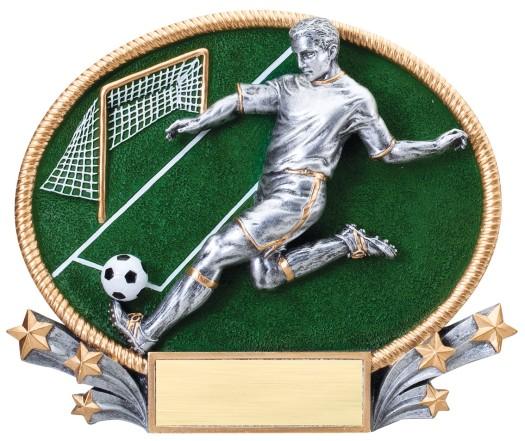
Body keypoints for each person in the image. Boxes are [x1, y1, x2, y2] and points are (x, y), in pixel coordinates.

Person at [110, 17, 468, 354]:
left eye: (308, 54)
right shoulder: (290, 86)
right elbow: (238, 102)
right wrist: (199, 121)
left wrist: (436, 146)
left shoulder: (355, 98)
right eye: (298, 54)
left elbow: (388, 151)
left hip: (299, 196)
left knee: (216, 250)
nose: (301, 62)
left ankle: (147, 334)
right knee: (266, 276)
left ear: (330, 50)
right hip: (269, 190)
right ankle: (347, 243)